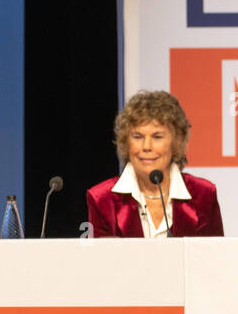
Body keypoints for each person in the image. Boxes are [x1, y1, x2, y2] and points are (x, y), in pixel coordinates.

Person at [86, 90, 223, 238]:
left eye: (157, 137)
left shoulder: (204, 195)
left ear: (176, 142)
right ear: (126, 142)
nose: (146, 146)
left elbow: (215, 257)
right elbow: (99, 260)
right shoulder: (102, 199)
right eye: (137, 137)